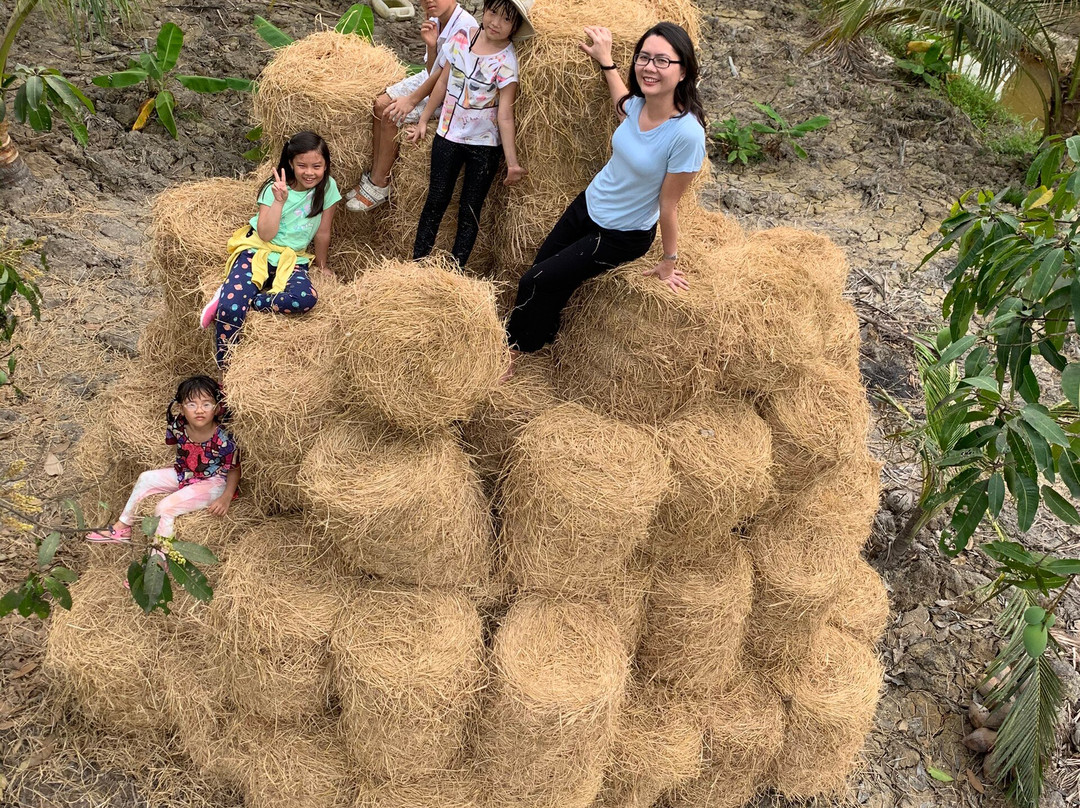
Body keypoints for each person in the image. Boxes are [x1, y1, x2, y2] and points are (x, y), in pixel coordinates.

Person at [504, 21, 706, 375]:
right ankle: (545, 335)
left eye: (662, 60)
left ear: (684, 70)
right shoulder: (639, 104)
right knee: (543, 272)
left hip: (620, 234)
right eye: (644, 57)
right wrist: (606, 60)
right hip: (589, 204)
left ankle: (512, 352)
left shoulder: (687, 135)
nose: (650, 67)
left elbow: (669, 204)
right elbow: (622, 104)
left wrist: (668, 260)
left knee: (535, 281)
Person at [406, 0, 533, 268]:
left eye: (506, 19)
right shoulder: (463, 37)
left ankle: (456, 271)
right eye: (493, 12)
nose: (496, 23)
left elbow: (505, 114)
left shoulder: (507, 61)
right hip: (448, 135)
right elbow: (442, 81)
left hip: (483, 146)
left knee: (470, 210)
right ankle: (417, 264)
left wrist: (512, 162)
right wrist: (423, 120)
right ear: (484, 9)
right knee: (435, 200)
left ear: (515, 27)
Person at [199, 131, 341, 368]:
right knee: (229, 311)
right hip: (258, 252)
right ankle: (227, 370)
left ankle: (249, 301)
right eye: (302, 165)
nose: (310, 172)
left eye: (317, 166)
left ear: (326, 165)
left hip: (292, 259)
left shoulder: (328, 188)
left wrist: (322, 265)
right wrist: (279, 201)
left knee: (305, 299)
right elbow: (265, 234)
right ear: (291, 164)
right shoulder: (273, 189)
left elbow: (323, 232)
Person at [346, 0, 479, 212]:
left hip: (451, 92)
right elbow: (432, 68)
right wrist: (431, 46)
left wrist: (411, 100)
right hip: (431, 78)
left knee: (391, 114)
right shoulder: (437, 18)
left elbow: (443, 78)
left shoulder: (466, 26)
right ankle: (375, 174)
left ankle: (381, 183)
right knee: (380, 104)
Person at [86, 376, 240, 544]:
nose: (199, 410)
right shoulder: (178, 427)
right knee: (146, 478)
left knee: (164, 508)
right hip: (188, 474)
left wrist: (226, 497)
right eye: (191, 404)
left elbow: (234, 469)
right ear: (181, 409)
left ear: (217, 409)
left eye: (207, 404)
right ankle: (122, 527)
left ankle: (161, 555)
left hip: (214, 482)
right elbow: (177, 447)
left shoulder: (223, 438)